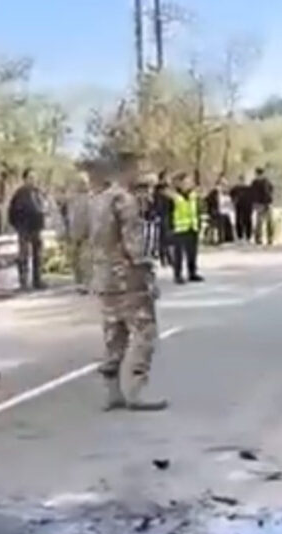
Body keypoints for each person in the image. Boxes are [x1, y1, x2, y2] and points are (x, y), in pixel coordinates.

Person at [87, 154, 168, 412]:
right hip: (127, 279)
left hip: (104, 277)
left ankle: (112, 391)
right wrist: (147, 275)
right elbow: (134, 245)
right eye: (138, 169)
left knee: (114, 335)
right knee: (144, 332)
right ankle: (136, 390)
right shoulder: (125, 201)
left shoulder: (97, 200)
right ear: (127, 171)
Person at [8, 167, 47, 290]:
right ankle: (23, 281)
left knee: (38, 255)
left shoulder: (38, 192)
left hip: (37, 228)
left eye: (34, 178)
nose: (33, 180)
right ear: (24, 179)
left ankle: (37, 280)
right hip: (24, 228)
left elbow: (43, 208)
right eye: (30, 178)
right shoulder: (19, 194)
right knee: (23, 255)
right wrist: (17, 225)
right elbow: (12, 211)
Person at [167, 172, 203, 285]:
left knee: (192, 252)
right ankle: (177, 275)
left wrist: (199, 223)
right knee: (178, 254)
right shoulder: (173, 197)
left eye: (189, 181)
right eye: (186, 181)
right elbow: (168, 213)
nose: (189, 183)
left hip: (192, 227)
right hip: (179, 229)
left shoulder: (193, 195)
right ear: (179, 183)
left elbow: (197, 210)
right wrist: (169, 228)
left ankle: (192, 273)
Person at [66, 172, 94, 294]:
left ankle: (87, 283)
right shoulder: (72, 198)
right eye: (80, 182)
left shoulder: (92, 197)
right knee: (75, 259)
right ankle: (78, 282)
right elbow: (69, 216)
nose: (82, 184)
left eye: (84, 182)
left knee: (86, 259)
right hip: (74, 233)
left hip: (88, 233)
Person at [153, 170, 174, 267]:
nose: (169, 179)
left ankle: (169, 258)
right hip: (164, 215)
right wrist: (158, 214)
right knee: (164, 238)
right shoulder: (160, 189)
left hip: (169, 214)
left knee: (168, 238)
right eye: (167, 177)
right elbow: (158, 203)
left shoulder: (168, 188)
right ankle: (165, 258)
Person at [251, 167, 274, 245]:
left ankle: (270, 238)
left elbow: (270, 190)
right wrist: (254, 203)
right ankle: (258, 238)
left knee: (269, 221)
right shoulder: (254, 183)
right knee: (259, 222)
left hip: (267, 203)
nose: (258, 176)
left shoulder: (266, 182)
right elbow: (252, 194)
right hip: (259, 204)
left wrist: (269, 201)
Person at [230, 173, 253, 242]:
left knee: (247, 220)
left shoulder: (248, 188)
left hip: (247, 206)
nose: (242, 181)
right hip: (239, 206)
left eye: (242, 179)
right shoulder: (236, 188)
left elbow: (253, 197)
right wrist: (234, 201)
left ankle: (248, 235)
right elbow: (231, 195)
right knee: (239, 220)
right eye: (241, 179)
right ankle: (240, 235)